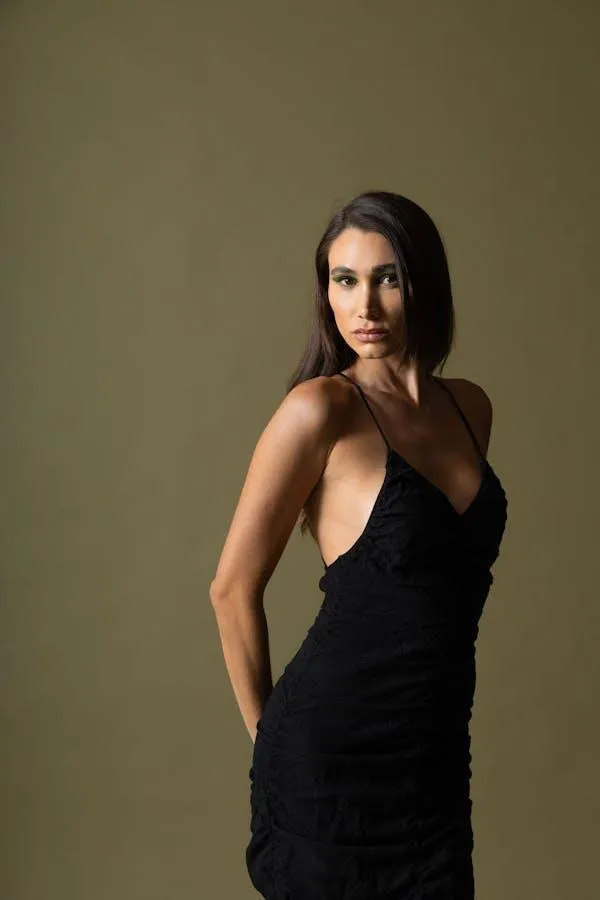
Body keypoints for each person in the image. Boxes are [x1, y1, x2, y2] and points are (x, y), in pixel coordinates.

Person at [210, 190, 508, 899]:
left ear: (424, 283)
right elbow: (231, 588)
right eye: (344, 280)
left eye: (387, 278)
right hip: (326, 756)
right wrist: (268, 741)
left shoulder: (470, 408)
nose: (364, 306)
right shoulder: (321, 410)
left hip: (433, 762)